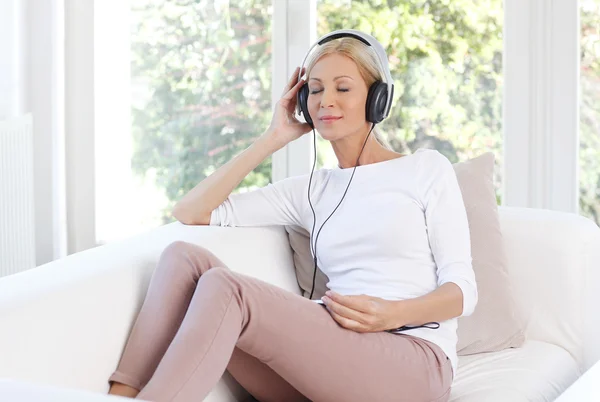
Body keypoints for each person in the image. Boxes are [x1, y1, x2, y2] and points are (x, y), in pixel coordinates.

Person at [107, 30, 477, 402]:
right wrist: (273, 137)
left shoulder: (425, 169)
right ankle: (119, 395)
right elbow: (191, 211)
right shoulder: (309, 190)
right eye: (314, 90)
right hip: (333, 355)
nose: (325, 100)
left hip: (411, 362)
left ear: (377, 99)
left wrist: (390, 314)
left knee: (225, 287)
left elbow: (462, 290)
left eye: (342, 88)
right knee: (182, 257)